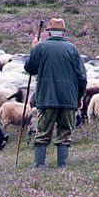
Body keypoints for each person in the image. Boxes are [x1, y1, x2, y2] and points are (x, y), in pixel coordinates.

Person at [24, 17, 87, 169]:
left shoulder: (41, 48)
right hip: (68, 99)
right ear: (63, 33)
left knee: (43, 132)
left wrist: (34, 49)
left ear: (49, 33)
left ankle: (39, 166)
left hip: (47, 98)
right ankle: (62, 167)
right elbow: (82, 77)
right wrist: (79, 96)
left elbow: (29, 68)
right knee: (65, 133)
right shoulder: (72, 49)